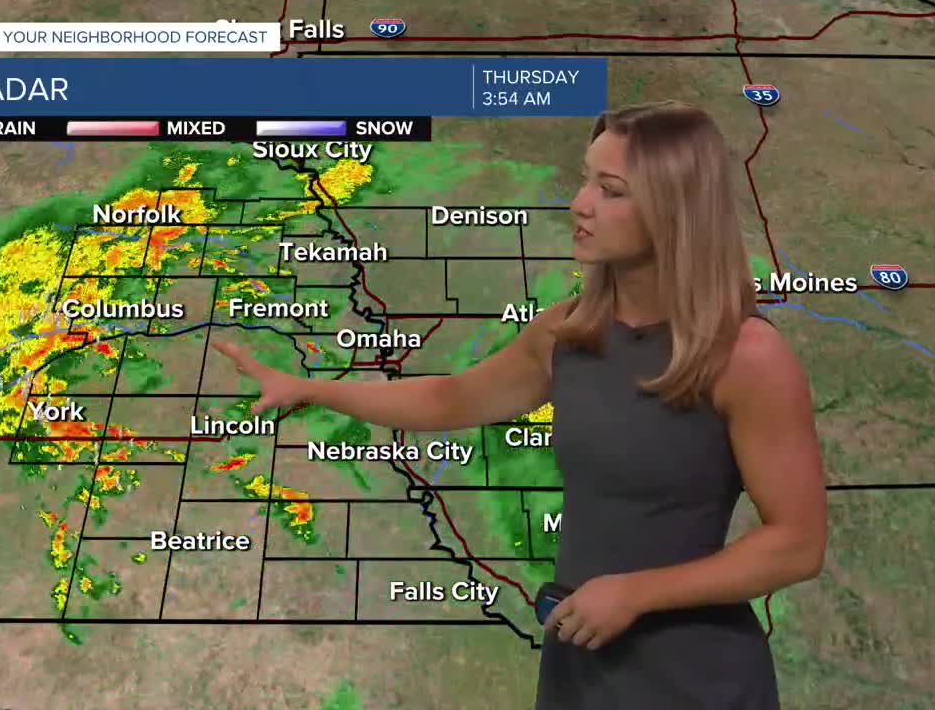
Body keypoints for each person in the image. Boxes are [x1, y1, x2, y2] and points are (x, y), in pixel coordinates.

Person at [216, 101, 828, 709]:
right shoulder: (569, 333)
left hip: (695, 679)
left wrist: (636, 594)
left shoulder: (746, 357)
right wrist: (312, 388)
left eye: (611, 190)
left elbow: (797, 543)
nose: (580, 204)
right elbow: (451, 398)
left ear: (676, 210)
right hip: (582, 662)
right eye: (586, 180)